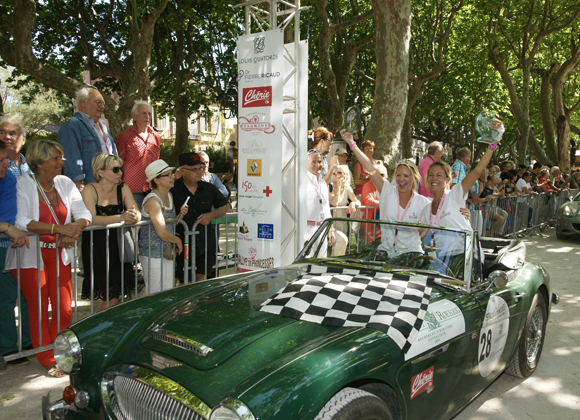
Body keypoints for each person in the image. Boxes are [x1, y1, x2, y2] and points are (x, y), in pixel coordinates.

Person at [4, 140, 91, 377]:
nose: (61, 162)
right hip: (31, 257)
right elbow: (21, 221)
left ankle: (60, 351)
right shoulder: (24, 184)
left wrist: (74, 227)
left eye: (61, 157)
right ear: (39, 162)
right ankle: (47, 358)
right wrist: (59, 229)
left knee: (64, 308)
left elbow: (84, 214)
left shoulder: (65, 182)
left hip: (59, 254)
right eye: (55, 158)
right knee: (40, 307)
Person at [423, 120, 503, 274]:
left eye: (439, 175)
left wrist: (493, 143)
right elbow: (422, 232)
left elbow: (477, 171)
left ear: (448, 180)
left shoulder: (455, 194)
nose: (434, 178)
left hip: (465, 256)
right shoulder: (427, 207)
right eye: (431, 175)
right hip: (442, 259)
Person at [343, 130, 432, 258]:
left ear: (414, 178)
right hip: (385, 253)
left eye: (406, 176)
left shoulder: (423, 202)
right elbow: (370, 167)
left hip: (411, 255)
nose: (401, 179)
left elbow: (432, 223)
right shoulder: (387, 191)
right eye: (398, 175)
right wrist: (352, 144)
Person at [81, 154, 141, 311]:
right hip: (97, 246)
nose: (120, 173)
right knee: (111, 296)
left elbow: (137, 212)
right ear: (100, 172)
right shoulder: (89, 189)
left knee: (117, 294)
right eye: (115, 169)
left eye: (120, 169)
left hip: (119, 245)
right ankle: (97, 328)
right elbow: (91, 219)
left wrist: (133, 216)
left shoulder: (123, 188)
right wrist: (122, 217)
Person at [171, 152, 229, 283]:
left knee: (201, 279)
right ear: (182, 171)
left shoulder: (209, 188)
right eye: (194, 169)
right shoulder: (173, 189)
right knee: (185, 281)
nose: (199, 172)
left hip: (205, 243)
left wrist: (211, 215)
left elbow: (226, 207)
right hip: (182, 245)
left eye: (201, 168)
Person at [0, 140, 32, 366]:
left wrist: (7, 226)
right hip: (5, 243)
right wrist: (4, 226)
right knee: (6, 298)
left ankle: (27, 342)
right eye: (1, 160)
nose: (6, 164)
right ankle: (8, 348)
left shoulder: (8, 178)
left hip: (12, 245)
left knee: (23, 294)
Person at [139, 160, 186, 293]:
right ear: (156, 180)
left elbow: (171, 224)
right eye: (168, 175)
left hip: (166, 252)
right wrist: (178, 241)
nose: (173, 177)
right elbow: (162, 231)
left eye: (172, 174)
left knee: (168, 290)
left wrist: (180, 215)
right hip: (152, 253)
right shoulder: (153, 200)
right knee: (155, 293)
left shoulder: (169, 196)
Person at [58, 87, 117, 189]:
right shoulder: (72, 126)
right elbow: (71, 160)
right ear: (83, 103)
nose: (101, 107)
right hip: (91, 187)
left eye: (103, 104)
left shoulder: (103, 126)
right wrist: (79, 187)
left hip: (110, 187)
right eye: (98, 102)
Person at [115, 100, 161, 209]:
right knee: (133, 222)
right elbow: (118, 163)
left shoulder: (156, 137)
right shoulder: (124, 136)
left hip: (152, 189)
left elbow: (157, 163)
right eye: (144, 113)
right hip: (131, 190)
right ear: (134, 116)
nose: (147, 116)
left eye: (149, 113)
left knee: (150, 224)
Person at [305, 151, 336, 256]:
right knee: (306, 265)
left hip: (322, 229)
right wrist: (303, 235)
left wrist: (330, 230)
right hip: (308, 230)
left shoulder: (323, 182)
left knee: (320, 264)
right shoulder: (301, 182)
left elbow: (326, 208)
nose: (317, 165)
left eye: (319, 162)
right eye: (313, 162)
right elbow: (296, 211)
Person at [328, 164, 359, 255]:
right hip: (331, 223)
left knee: (341, 246)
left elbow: (358, 202)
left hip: (343, 222)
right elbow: (334, 203)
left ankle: (336, 265)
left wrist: (353, 203)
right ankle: (333, 264)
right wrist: (337, 187)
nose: (342, 175)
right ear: (335, 174)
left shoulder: (347, 187)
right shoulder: (330, 186)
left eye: (345, 173)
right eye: (340, 172)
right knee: (342, 240)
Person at [359, 165, 386, 242]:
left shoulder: (386, 186)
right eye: (377, 174)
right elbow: (368, 201)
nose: (379, 177)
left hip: (381, 225)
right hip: (368, 224)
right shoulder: (367, 186)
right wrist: (383, 203)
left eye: (382, 174)